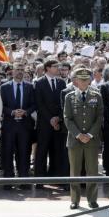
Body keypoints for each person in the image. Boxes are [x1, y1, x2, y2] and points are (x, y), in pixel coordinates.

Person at [63, 68, 103, 210]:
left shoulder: (97, 96)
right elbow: (67, 118)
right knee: (75, 171)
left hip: (91, 140)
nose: (84, 82)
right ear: (76, 81)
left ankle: (92, 199)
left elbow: (99, 117)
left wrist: (90, 134)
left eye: (86, 79)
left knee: (92, 170)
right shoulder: (69, 97)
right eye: (81, 79)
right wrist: (79, 134)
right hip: (75, 139)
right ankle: (75, 200)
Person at [34, 60, 68, 188]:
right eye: (55, 66)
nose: (58, 68)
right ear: (47, 68)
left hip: (58, 123)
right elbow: (39, 103)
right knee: (42, 151)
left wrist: (58, 118)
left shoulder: (61, 82)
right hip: (44, 123)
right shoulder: (39, 83)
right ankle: (40, 180)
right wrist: (50, 119)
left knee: (58, 151)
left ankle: (56, 177)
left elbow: (63, 102)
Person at [1, 66, 36, 185]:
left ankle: (24, 180)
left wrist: (26, 112)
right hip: (9, 125)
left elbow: (34, 104)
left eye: (22, 70)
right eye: (17, 69)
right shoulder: (4, 87)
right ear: (12, 71)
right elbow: (1, 105)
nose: (19, 72)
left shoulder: (30, 86)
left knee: (24, 153)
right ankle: (8, 181)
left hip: (25, 125)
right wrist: (12, 112)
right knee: (8, 152)